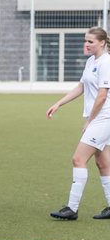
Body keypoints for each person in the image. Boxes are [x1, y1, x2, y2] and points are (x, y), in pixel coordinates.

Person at [46, 27, 110, 220]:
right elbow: (81, 86)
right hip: (98, 118)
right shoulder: (91, 61)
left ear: (102, 42)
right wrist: (59, 103)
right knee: (103, 163)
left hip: (103, 118)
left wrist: (89, 121)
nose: (87, 44)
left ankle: (71, 209)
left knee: (78, 159)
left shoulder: (106, 63)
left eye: (90, 41)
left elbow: (102, 96)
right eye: (86, 40)